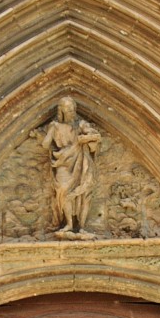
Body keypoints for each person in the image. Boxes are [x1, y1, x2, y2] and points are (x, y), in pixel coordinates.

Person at [42, 97, 101, 235]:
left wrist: (86, 138)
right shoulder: (55, 126)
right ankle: (69, 224)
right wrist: (49, 139)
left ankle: (81, 226)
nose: (71, 112)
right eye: (68, 109)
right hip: (62, 161)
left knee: (84, 193)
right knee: (63, 191)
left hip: (81, 162)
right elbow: (45, 144)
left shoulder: (81, 124)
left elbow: (96, 136)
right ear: (61, 111)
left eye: (73, 109)